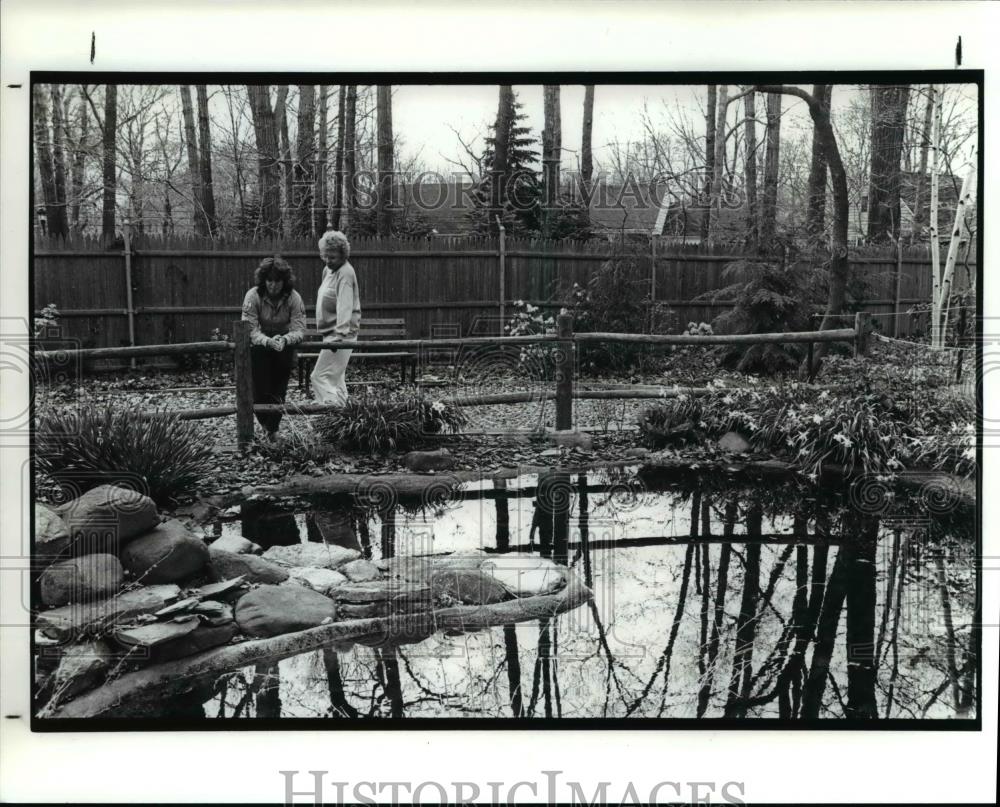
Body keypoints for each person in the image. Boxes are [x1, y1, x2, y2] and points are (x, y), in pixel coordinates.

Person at [241, 255, 306, 439]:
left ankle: (273, 429)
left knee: (279, 388)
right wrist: (266, 340)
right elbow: (249, 327)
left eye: (278, 281)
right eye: (269, 281)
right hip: (260, 347)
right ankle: (264, 424)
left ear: (284, 281)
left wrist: (285, 339)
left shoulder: (294, 297)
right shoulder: (253, 295)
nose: (273, 286)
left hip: (283, 347)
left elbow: (299, 328)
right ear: (264, 280)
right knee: (260, 389)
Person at [311, 230, 361, 405]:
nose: (328, 261)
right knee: (337, 380)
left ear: (343, 255)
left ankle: (330, 413)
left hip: (341, 335)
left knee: (319, 376)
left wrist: (339, 336)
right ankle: (345, 420)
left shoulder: (345, 273)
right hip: (329, 333)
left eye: (332, 257)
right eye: (325, 256)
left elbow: (345, 305)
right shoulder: (328, 270)